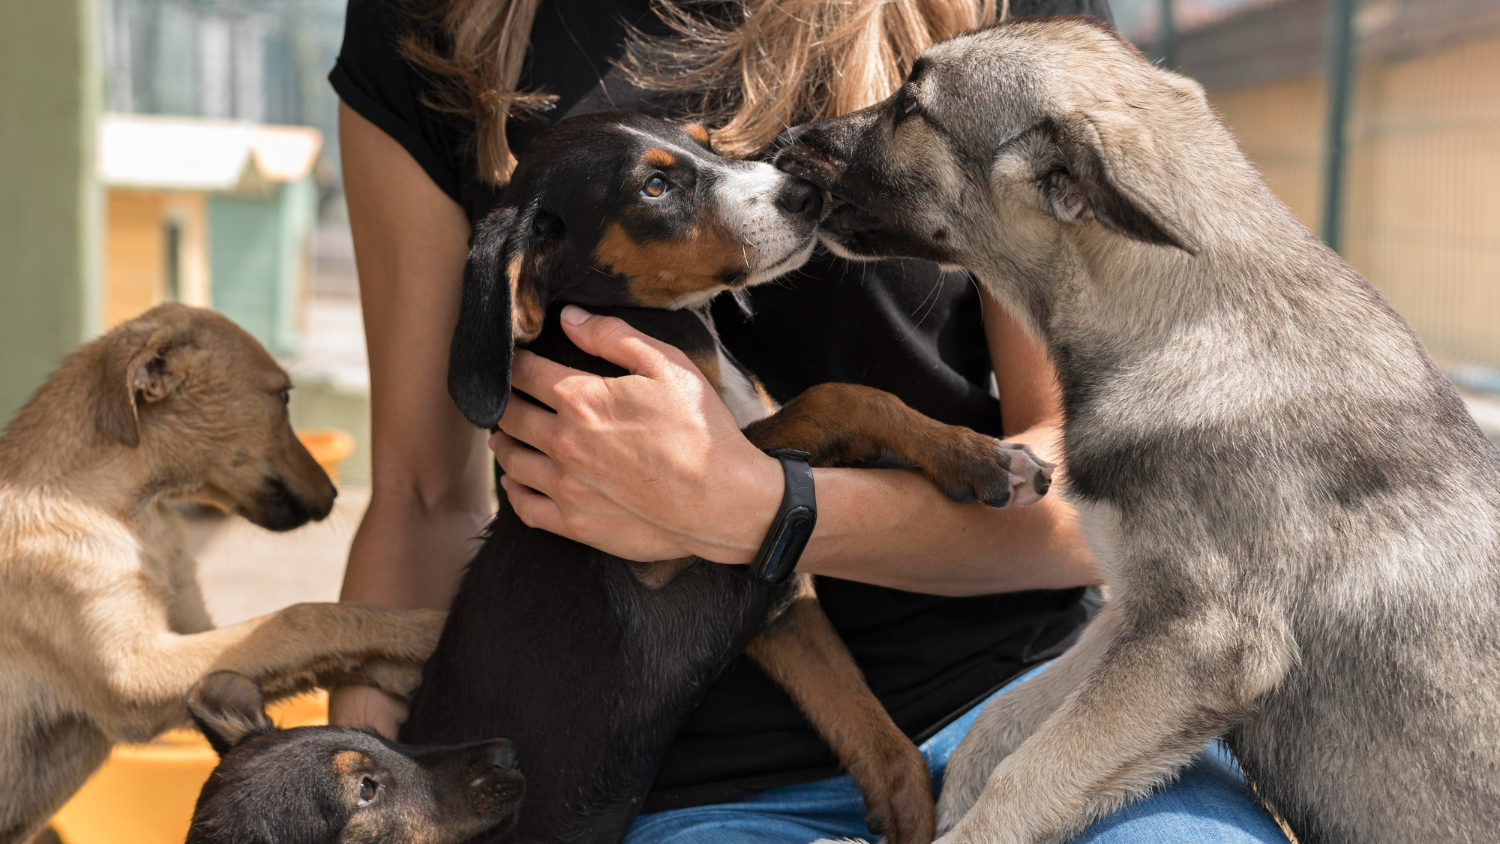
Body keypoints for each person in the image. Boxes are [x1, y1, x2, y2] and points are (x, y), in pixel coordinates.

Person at [327, 1, 1289, 841]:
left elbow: (1093, 488)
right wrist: (354, 797)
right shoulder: (433, 28)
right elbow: (418, 499)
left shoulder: (997, 25)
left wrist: (762, 508)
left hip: (1027, 705)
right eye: (667, 183)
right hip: (689, 792)